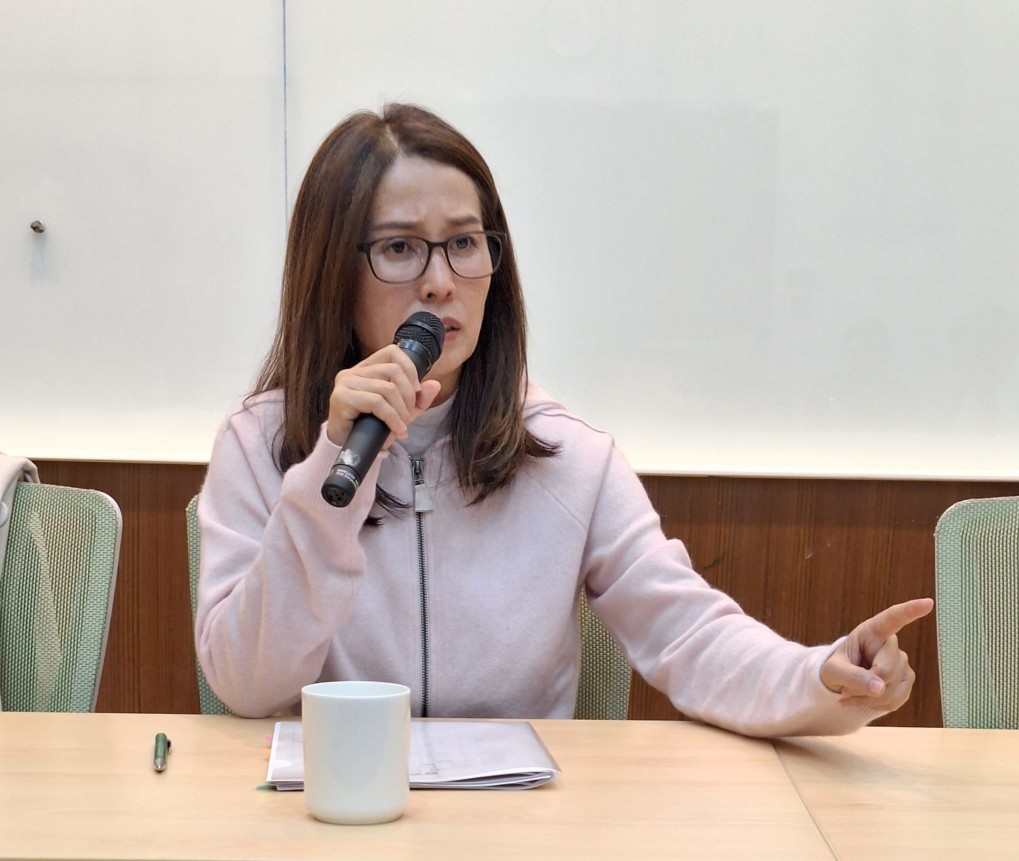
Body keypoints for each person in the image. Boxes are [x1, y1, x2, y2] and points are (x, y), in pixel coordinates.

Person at [195, 103, 933, 733]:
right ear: (332, 269)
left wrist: (821, 676)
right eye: (399, 248)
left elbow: (690, 636)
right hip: (331, 810)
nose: (441, 282)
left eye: (464, 243)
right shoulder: (260, 445)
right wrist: (331, 469)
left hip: (514, 818)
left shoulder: (564, 455)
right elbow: (246, 685)